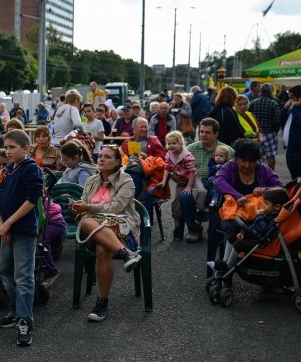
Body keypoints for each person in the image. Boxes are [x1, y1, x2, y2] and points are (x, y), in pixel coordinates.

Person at [70, 144, 141, 322]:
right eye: (100, 156)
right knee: (86, 220)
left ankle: (102, 302)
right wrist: (78, 207)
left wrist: (88, 207)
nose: (101, 159)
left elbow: (116, 207)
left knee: (103, 249)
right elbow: (85, 210)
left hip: (121, 230)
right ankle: (126, 254)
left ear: (118, 162)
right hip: (93, 229)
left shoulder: (126, 180)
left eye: (107, 157)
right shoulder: (91, 181)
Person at [0, 129, 43, 345]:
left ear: (26, 148)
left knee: (23, 277)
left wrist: (9, 223)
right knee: (5, 271)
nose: (8, 151)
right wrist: (0, 224)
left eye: (13, 147)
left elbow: (32, 200)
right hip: (7, 229)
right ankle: (15, 310)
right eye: (6, 147)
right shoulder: (7, 170)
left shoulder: (31, 169)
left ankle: (25, 321)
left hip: (23, 231)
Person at [156, 131, 207, 242]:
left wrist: (189, 187)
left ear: (180, 143)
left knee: (202, 191)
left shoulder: (186, 156)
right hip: (181, 182)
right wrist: (164, 181)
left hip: (192, 179)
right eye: (169, 144)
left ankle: (200, 212)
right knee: (176, 204)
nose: (171, 146)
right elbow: (167, 168)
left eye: (174, 143)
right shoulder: (169, 154)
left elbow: (192, 172)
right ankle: (178, 229)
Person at [228, 187, 289, 266]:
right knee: (232, 237)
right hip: (257, 237)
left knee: (238, 244)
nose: (264, 205)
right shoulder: (269, 213)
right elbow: (254, 226)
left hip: (262, 244)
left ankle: (228, 266)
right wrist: (243, 233)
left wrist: (259, 216)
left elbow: (263, 230)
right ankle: (225, 261)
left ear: (277, 207)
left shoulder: (276, 219)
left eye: (266, 203)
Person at [249, 84, 281, 170]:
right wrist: (275, 130)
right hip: (270, 132)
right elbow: (277, 120)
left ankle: (257, 174)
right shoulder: (273, 103)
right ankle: (270, 174)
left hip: (257, 134)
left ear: (261, 91)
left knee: (256, 156)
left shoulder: (253, 102)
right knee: (270, 155)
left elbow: (248, 117)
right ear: (270, 91)